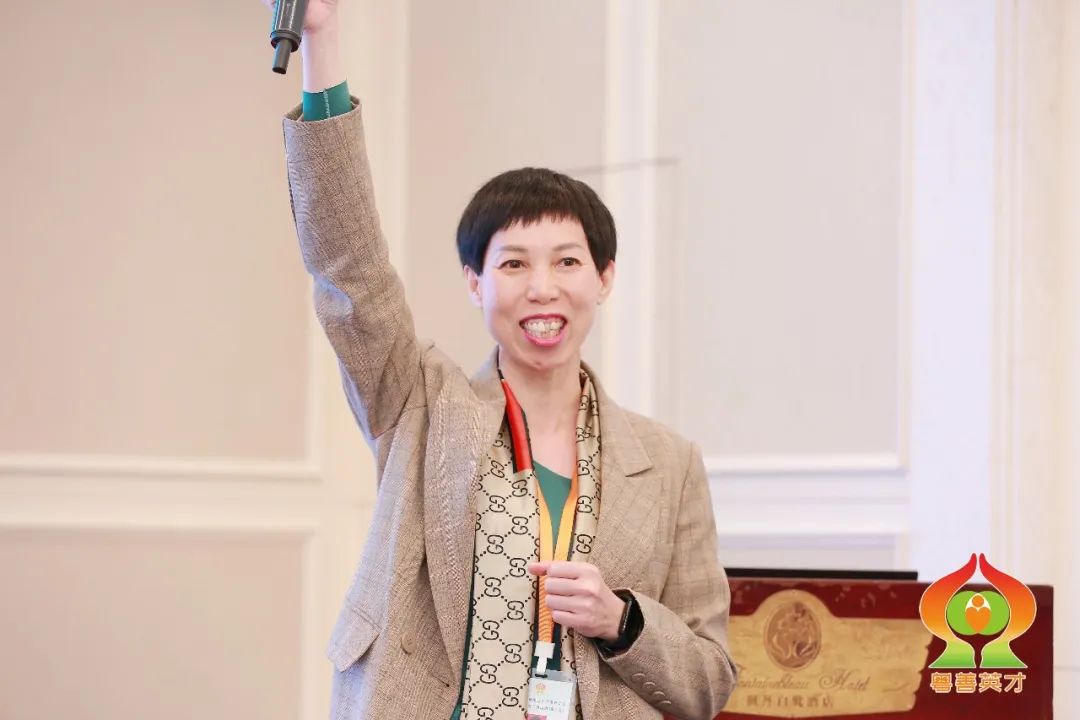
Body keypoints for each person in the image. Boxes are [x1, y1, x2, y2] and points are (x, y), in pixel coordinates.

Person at [265, 1, 738, 718]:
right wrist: (322, 40)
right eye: (513, 263)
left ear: (604, 278)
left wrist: (621, 620)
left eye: (567, 262)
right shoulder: (418, 405)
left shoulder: (670, 464)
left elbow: (708, 681)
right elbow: (348, 263)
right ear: (475, 282)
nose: (541, 288)